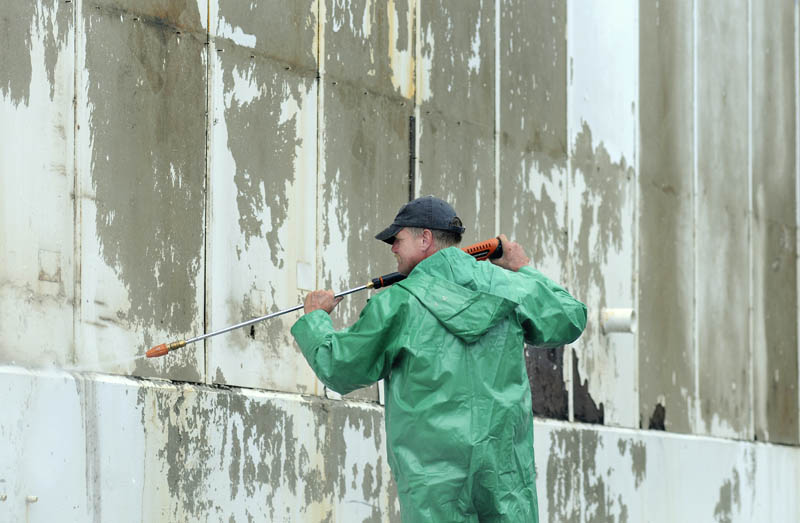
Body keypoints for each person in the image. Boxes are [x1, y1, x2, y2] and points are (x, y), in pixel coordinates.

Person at [291, 195, 587, 522]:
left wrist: (316, 318)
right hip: (505, 477)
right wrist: (522, 268)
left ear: (426, 239)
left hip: (433, 485)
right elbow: (569, 317)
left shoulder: (396, 304)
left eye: (397, 239)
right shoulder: (509, 287)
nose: (392, 249)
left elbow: (340, 367)